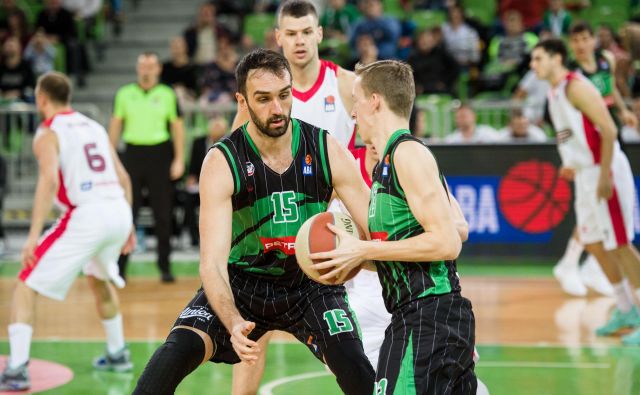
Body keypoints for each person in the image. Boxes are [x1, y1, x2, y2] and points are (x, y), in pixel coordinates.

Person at [132, 48, 376, 395]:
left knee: (356, 368)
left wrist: (356, 254)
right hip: (242, 283)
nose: (277, 109)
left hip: (310, 284)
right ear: (242, 101)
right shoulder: (222, 161)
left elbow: (374, 230)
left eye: (284, 95)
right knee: (169, 360)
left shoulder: (326, 148)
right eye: (263, 99)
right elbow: (212, 265)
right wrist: (232, 322)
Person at [230, 2, 387, 393]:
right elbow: (232, 156)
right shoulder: (262, 96)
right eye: (291, 33)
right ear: (278, 37)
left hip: (339, 223)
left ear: (319, 34)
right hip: (277, 222)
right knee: (254, 330)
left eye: (306, 32)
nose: (299, 41)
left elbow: (383, 136)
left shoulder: (347, 85)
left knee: (366, 327)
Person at [310, 59, 477, 394]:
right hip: (417, 316)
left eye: (355, 100)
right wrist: (351, 259)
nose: (352, 113)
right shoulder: (386, 163)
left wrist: (366, 248)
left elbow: (447, 242)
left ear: (375, 101)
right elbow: (403, 250)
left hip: (429, 316)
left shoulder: (408, 154)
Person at [0, 72, 136, 391]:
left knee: (25, 283)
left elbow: (48, 181)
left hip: (86, 214)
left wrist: (33, 236)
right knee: (99, 278)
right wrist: (128, 223)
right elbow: (125, 177)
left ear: (42, 98)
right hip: (116, 209)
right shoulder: (94, 125)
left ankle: (17, 369)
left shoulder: (48, 131)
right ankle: (117, 353)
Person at [530, 39, 640, 345]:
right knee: (592, 242)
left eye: (537, 58)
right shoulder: (553, 93)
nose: (532, 65)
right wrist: (573, 164)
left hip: (604, 170)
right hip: (585, 173)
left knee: (619, 243)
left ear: (555, 58)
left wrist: (604, 174)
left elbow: (609, 129)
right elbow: (573, 136)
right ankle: (625, 309)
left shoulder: (575, 87)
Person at [553, 21, 638, 296]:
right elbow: (565, 124)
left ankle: (588, 266)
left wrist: (624, 110)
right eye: (574, 39)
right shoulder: (572, 77)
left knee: (603, 219)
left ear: (593, 41)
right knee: (596, 217)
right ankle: (574, 263)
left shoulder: (606, 61)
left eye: (584, 38)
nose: (580, 44)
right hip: (590, 148)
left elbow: (611, 89)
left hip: (608, 137)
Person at [108, 52, 185, 283]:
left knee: (163, 214)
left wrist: (179, 159)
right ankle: (120, 268)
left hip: (160, 154)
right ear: (137, 68)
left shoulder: (167, 94)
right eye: (142, 65)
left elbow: (177, 127)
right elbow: (115, 126)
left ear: (158, 69)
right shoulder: (124, 94)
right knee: (127, 213)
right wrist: (110, 159)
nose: (146, 70)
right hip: (132, 154)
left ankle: (165, 267)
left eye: (151, 65)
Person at [183, 116, 228, 247]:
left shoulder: (228, 143)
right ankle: (194, 237)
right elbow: (192, 166)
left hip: (221, 187)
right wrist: (191, 177)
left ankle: (220, 237)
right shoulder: (198, 142)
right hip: (199, 184)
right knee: (188, 200)